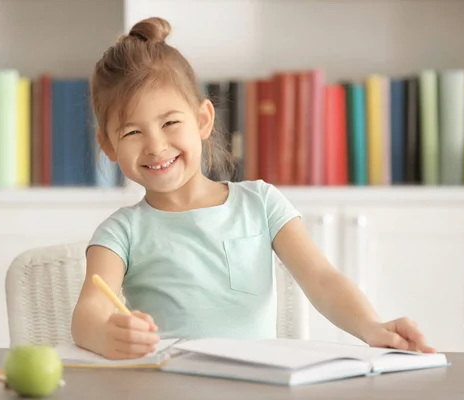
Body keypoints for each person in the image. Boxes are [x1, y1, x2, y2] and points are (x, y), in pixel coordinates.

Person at [71, 16, 436, 360]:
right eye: (132, 132)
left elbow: (323, 280)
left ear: (203, 120)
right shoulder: (121, 232)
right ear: (108, 146)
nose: (155, 145)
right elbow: (89, 311)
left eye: (169, 123)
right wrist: (106, 333)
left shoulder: (261, 202)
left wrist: (372, 327)